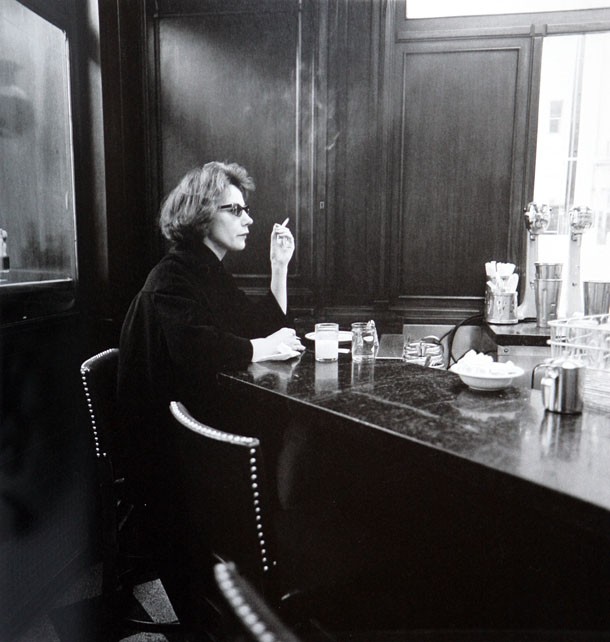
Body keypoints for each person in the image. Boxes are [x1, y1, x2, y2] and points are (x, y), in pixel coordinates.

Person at [116, 161, 304, 633]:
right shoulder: (174, 274)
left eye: (246, 209)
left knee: (281, 428)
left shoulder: (207, 271)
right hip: (169, 448)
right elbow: (195, 347)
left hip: (191, 426)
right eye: (235, 210)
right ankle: (269, 578)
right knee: (283, 432)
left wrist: (279, 267)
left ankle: (267, 569)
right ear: (202, 215)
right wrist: (263, 347)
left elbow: (255, 326)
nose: (248, 220)